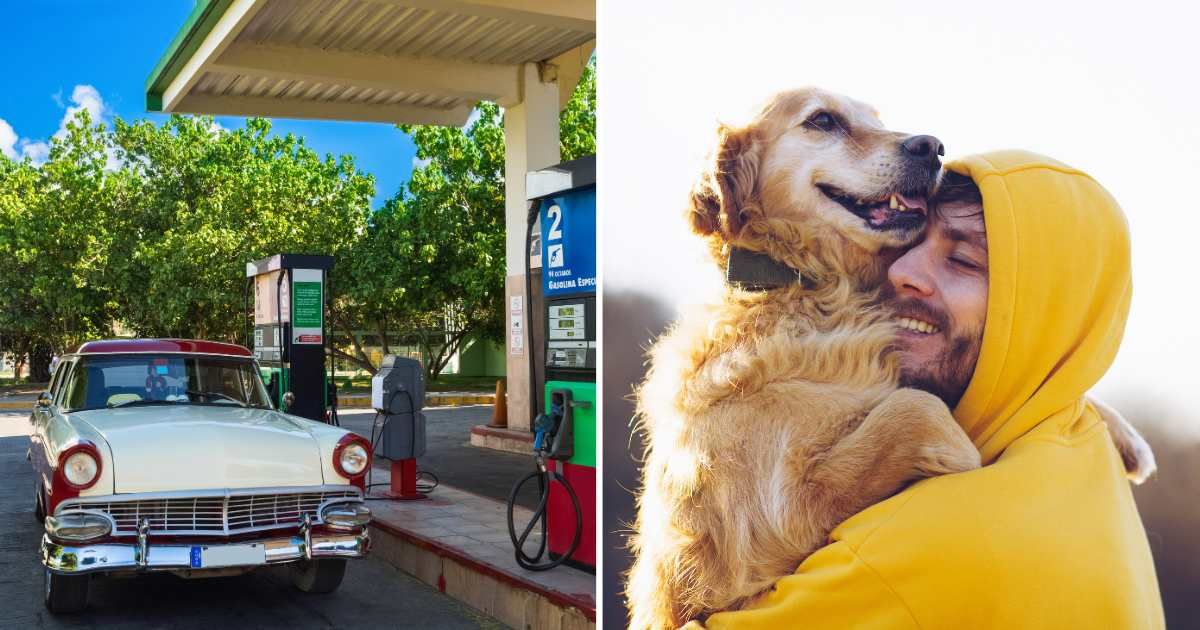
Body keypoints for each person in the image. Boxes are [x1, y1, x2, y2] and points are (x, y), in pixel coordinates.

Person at [699, 150, 1165, 628]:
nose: (901, 271)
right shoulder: (1082, 448)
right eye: (907, 241)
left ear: (1040, 317)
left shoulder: (932, 546)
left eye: (962, 260)